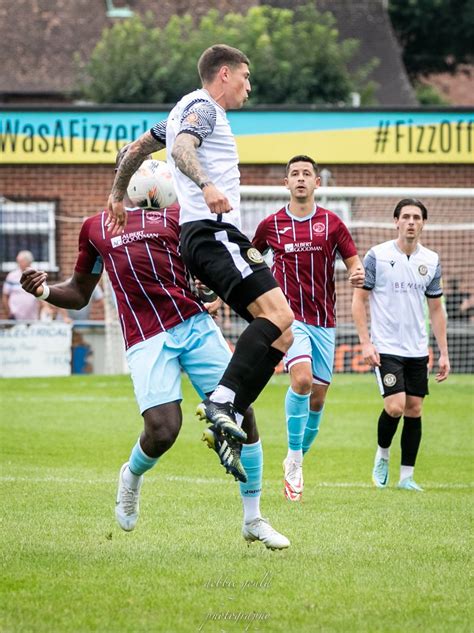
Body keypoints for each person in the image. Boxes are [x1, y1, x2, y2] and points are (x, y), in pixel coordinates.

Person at [21, 152, 289, 550]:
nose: (141, 172)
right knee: (163, 431)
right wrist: (43, 290)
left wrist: (210, 288)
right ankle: (131, 476)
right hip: (146, 338)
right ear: (120, 179)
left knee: (240, 411)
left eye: (145, 164)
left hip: (194, 326)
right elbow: (79, 294)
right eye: (129, 167)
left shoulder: (179, 216)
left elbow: (206, 271)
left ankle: (253, 519)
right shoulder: (96, 228)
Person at [107, 44, 294, 469]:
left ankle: (224, 414)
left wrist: (117, 195)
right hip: (212, 232)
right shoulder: (203, 108)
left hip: (203, 239)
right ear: (224, 74)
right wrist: (208, 185)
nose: (249, 85)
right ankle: (223, 402)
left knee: (282, 335)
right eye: (246, 76)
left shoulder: (176, 113)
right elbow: (182, 151)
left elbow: (137, 150)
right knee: (281, 319)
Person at [252, 155, 365, 501]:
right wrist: (221, 298)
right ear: (285, 183)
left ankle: (294, 457)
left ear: (318, 183)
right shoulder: (271, 225)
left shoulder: (332, 224)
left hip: (324, 321)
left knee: (317, 398)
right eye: (294, 174)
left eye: (307, 174)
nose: (300, 178)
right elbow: (249, 264)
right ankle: (296, 461)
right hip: (288, 319)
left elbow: (353, 262)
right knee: (300, 380)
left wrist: (357, 273)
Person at [352, 198, 450, 492]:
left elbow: (435, 309)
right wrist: (366, 343)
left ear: (423, 223)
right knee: (395, 407)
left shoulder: (431, 260)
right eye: (405, 216)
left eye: (416, 217)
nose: (410, 222)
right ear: (395, 221)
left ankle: (407, 477)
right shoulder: (377, 256)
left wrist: (443, 351)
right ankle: (382, 455)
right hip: (386, 347)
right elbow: (359, 300)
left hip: (417, 349)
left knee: (415, 409)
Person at [2, 250, 40, 320]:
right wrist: (9, 312)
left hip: (33, 317)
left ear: (28, 262)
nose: (19, 264)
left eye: (21, 261)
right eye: (18, 261)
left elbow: (43, 295)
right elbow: (5, 296)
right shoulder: (12, 276)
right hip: (15, 317)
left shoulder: (37, 275)